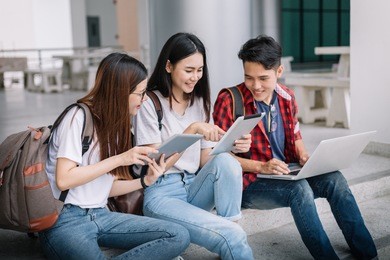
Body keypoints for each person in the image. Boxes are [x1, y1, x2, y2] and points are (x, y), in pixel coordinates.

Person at [213, 35, 378, 260]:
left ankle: (368, 254)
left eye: (263, 78)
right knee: (299, 190)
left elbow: (296, 136)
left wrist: (304, 156)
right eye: (249, 78)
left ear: (279, 71)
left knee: (335, 180)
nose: (256, 86)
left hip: (286, 173)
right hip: (248, 182)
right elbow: (218, 158)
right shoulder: (229, 99)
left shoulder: (287, 97)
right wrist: (262, 166)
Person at [39, 52, 190, 260]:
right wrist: (120, 159)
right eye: (140, 93)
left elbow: (106, 188)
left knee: (178, 235)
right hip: (65, 220)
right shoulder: (77, 117)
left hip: (101, 215)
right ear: (120, 92)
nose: (144, 99)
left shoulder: (116, 128)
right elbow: (64, 179)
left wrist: (146, 181)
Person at [134, 32, 254, 260]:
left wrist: (231, 148)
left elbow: (204, 160)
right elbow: (153, 167)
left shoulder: (200, 102)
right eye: (188, 70)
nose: (195, 77)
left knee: (227, 161)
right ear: (168, 66)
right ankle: (230, 236)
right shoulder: (150, 103)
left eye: (199, 70)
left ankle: (230, 229)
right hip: (161, 194)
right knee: (233, 236)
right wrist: (190, 131)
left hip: (193, 186)